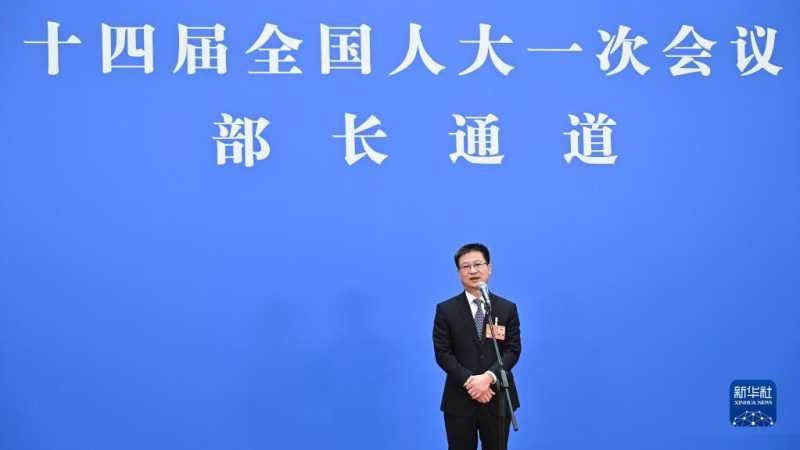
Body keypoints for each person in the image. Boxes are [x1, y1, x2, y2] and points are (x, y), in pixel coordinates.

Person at [433, 243, 521, 450]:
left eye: (478, 264)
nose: (472, 270)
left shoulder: (506, 308)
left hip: (497, 398)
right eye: (466, 266)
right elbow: (443, 353)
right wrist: (471, 382)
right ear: (459, 273)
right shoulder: (446, 310)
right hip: (460, 399)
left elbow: (512, 350)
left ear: (489, 268)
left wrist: (488, 377)